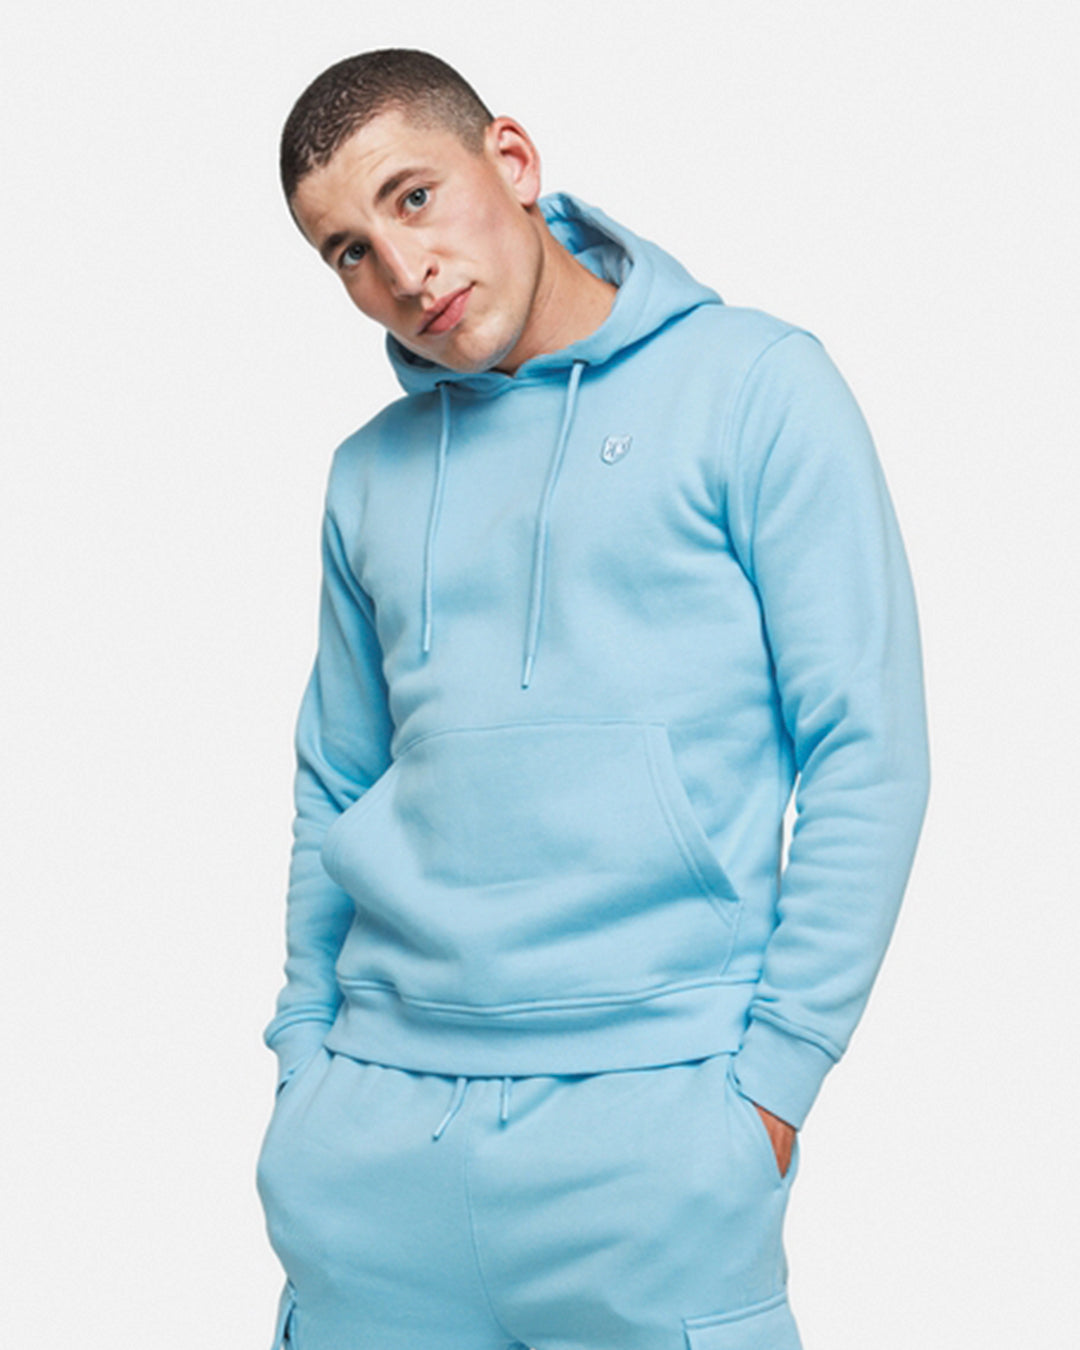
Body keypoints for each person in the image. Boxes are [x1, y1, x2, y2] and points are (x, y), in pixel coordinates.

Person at [255, 47, 930, 1350]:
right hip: (374, 1147)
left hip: (655, 1133)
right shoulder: (367, 475)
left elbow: (867, 747)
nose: (403, 273)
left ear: (510, 161)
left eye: (413, 198)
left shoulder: (754, 386)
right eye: (349, 252)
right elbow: (336, 782)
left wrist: (773, 1085)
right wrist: (304, 1061)